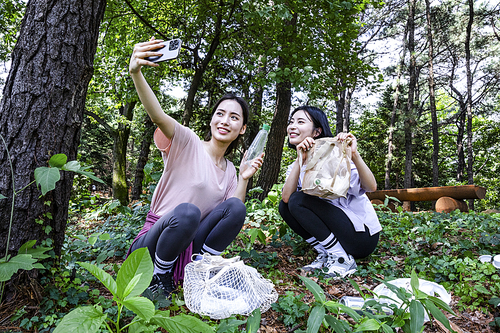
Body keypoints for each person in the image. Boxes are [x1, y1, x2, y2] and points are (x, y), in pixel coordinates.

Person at [126, 38, 263, 297]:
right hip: (152, 247)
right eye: (220, 114)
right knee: (188, 213)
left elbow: (231, 215)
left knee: (236, 206)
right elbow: (157, 116)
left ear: (242, 129)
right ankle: (159, 275)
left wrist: (244, 178)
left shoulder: (231, 170)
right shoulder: (187, 142)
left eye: (234, 117)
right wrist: (136, 72)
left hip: (189, 247)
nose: (225, 121)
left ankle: (201, 269)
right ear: (212, 119)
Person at [279, 106, 381, 278]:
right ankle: (328, 252)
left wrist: (353, 154)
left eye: (300, 122)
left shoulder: (337, 155)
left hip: (362, 236)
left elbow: (371, 187)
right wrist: (300, 160)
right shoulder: (295, 166)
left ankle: (341, 259)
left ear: (317, 131)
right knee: (286, 205)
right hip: (340, 236)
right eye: (291, 122)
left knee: (299, 200)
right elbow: (287, 199)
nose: (292, 126)